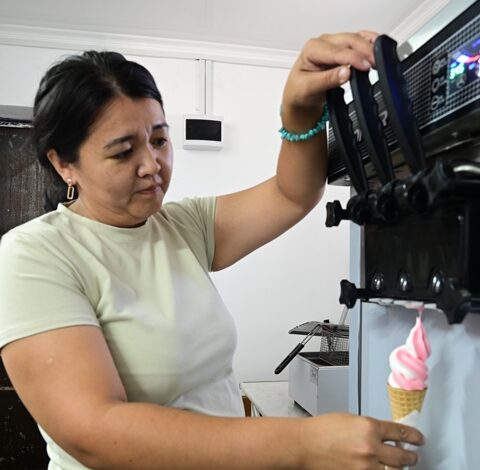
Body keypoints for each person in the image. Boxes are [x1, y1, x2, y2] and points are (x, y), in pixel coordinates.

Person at [0, 31, 424, 470]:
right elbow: (95, 430)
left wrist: (299, 108)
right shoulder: (35, 254)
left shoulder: (181, 226)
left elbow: (291, 194)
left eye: (159, 140)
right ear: (63, 163)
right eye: (123, 152)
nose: (152, 166)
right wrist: (304, 443)